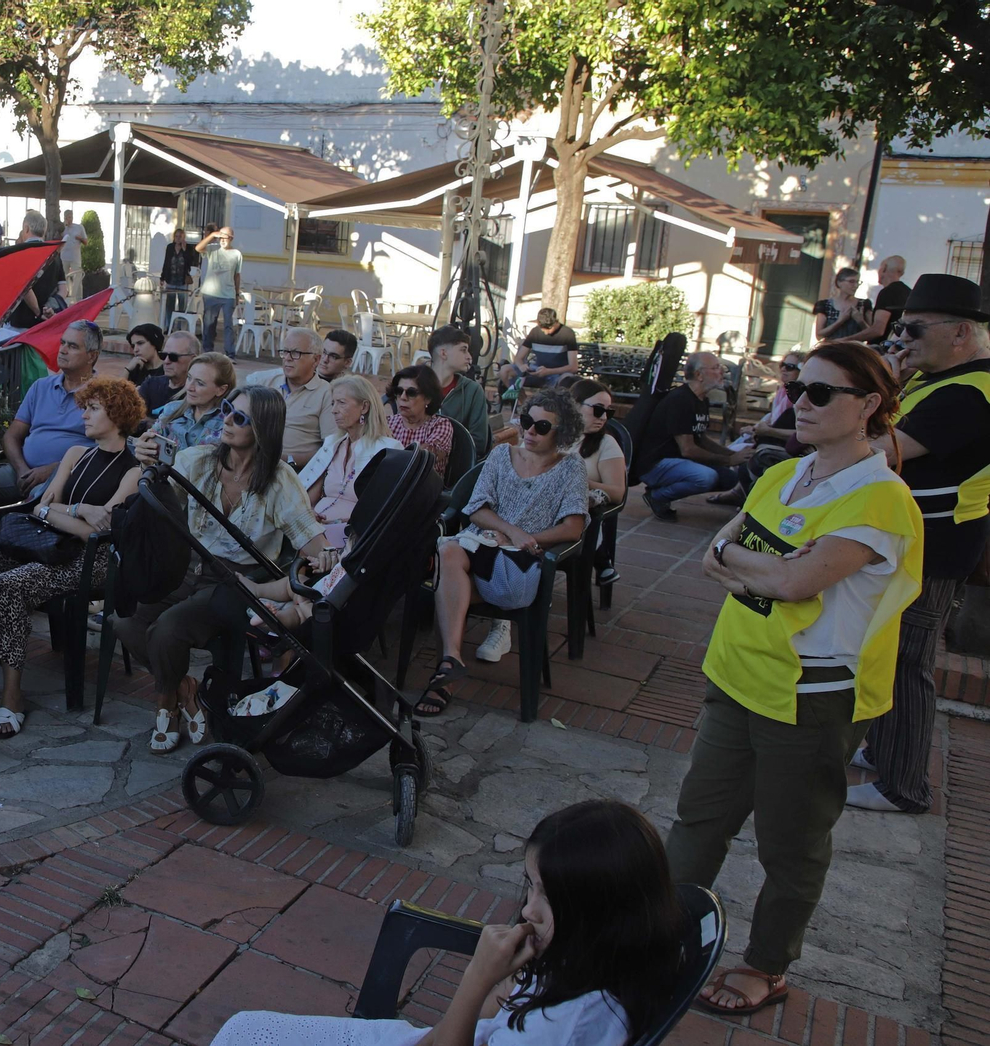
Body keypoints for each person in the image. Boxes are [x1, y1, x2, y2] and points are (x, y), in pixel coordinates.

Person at [668, 341, 922, 1014]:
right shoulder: (784, 474)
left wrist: (761, 567)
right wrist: (763, 567)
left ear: (868, 405)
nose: (799, 403)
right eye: (798, 387)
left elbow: (791, 581)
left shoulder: (881, 499)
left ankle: (766, 964)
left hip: (812, 697)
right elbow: (718, 553)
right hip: (736, 673)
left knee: (791, 844)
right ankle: (660, 936)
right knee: (698, 820)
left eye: (820, 393)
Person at [210, 799, 687, 1046]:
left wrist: (477, 979)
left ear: (597, 911)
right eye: (531, 886)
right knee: (244, 1030)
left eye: (549, 896)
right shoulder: (588, 960)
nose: (528, 909)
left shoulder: (566, 1027)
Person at [116, 386, 333, 753]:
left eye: (240, 417)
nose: (227, 419)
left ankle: (165, 704)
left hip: (237, 580)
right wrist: (147, 465)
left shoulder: (279, 480)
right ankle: (184, 689)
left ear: (263, 428)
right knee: (124, 620)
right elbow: (158, 505)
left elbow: (311, 540)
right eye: (228, 408)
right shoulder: (196, 460)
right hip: (186, 565)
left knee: (167, 631)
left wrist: (326, 556)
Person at [0, 378, 145, 737]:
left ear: (118, 415)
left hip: (90, 560)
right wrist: (77, 510)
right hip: (45, 543)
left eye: (93, 409)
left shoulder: (133, 471)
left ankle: (12, 698)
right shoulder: (76, 454)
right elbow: (41, 506)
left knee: (10, 584)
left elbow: (96, 532)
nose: (84, 415)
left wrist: (58, 512)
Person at [853, 274, 990, 814]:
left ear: (960, 333)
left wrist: (877, 388)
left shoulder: (968, 391)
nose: (900, 338)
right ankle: (884, 750)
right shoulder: (942, 379)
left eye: (913, 328)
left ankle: (903, 785)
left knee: (906, 660)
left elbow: (879, 451)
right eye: (900, 327)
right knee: (888, 650)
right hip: (915, 537)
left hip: (934, 544)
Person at [420, 388, 587, 713]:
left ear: (562, 432)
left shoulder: (571, 468)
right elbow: (476, 509)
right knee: (448, 554)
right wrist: (510, 530)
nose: (530, 431)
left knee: (446, 582)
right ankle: (449, 664)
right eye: (526, 421)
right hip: (479, 546)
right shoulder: (501, 455)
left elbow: (573, 528)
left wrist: (523, 539)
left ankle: (447, 671)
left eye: (542, 427)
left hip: (517, 563)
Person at [0, 321, 99, 556]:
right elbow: (12, 436)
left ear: (92, 355)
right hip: (21, 471)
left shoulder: (102, 394)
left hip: (64, 479)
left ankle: (5, 562)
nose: (62, 350)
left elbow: (102, 451)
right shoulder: (41, 387)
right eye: (62, 343)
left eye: (72, 346)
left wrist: (52, 470)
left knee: (36, 500)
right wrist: (22, 469)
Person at [634, 352, 749, 522]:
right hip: (654, 464)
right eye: (716, 368)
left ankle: (663, 490)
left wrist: (732, 454)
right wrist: (728, 460)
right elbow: (688, 449)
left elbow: (701, 439)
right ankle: (658, 496)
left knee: (729, 478)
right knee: (706, 477)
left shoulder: (701, 399)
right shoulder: (680, 400)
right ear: (699, 375)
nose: (721, 372)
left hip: (676, 461)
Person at [298, 375, 403, 547]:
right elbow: (310, 494)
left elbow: (387, 509)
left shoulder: (388, 450)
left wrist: (342, 521)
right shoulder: (332, 444)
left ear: (364, 407)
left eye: (341, 403)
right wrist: (308, 513)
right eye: (333, 403)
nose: (334, 410)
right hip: (316, 530)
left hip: (357, 534)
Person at [708, 353, 805, 508]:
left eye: (790, 367)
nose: (784, 370)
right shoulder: (782, 391)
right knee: (735, 452)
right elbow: (773, 420)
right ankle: (739, 493)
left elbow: (799, 434)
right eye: (783, 365)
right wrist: (757, 429)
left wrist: (766, 432)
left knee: (741, 456)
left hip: (785, 448)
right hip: (769, 442)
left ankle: (741, 496)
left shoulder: (800, 399)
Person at [248, 328, 339, 467]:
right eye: (285, 351)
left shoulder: (327, 394)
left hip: (295, 470)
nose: (287, 358)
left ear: (316, 359)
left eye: (296, 353)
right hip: (252, 464)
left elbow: (330, 448)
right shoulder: (262, 383)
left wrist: (288, 460)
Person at [571, 380, 628, 586]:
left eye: (608, 412)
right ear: (575, 405)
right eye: (597, 410)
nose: (603, 417)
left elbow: (617, 492)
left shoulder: (606, 444)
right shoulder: (551, 434)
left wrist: (580, 481)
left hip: (575, 517)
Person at [137, 352, 237, 462]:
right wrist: (144, 455)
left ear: (221, 390)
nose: (189, 387)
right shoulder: (171, 410)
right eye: (189, 378)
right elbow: (148, 451)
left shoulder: (229, 424)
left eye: (200, 383)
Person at [431, 326, 491, 458]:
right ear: (443, 353)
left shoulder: (473, 390)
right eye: (463, 350)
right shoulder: (414, 385)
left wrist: (442, 449)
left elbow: (479, 443)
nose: (469, 357)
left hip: (457, 465)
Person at [388, 364, 457, 476]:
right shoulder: (388, 423)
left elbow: (421, 459)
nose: (403, 397)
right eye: (399, 391)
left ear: (428, 398)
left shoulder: (440, 425)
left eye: (411, 393)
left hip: (421, 484)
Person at [497, 309, 579, 394]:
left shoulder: (567, 333)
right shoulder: (535, 332)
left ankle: (558, 401)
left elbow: (573, 367)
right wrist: (521, 366)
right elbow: (518, 358)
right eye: (543, 329)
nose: (546, 332)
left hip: (558, 374)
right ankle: (521, 399)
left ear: (555, 322)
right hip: (536, 370)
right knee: (504, 370)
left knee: (568, 379)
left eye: (549, 328)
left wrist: (549, 371)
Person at [9, 211, 62, 328]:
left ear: (26, 228)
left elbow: (24, 287)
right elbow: (63, 288)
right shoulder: (55, 255)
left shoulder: (19, 253)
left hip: (21, 322)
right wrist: (50, 308)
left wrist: (38, 312)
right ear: (44, 230)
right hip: (47, 320)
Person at [196, 226, 242, 356]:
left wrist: (237, 294)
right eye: (220, 237)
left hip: (229, 294)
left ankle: (230, 353)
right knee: (209, 324)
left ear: (231, 238)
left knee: (229, 325)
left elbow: (237, 275)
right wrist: (211, 236)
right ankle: (207, 351)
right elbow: (198, 248)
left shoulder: (237, 254)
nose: (222, 240)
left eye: (225, 237)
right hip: (211, 293)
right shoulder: (213, 248)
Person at [850, 255, 909, 346]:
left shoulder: (887, 292)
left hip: (882, 349)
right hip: (898, 348)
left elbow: (878, 330)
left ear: (884, 268)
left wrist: (844, 340)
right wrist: (861, 321)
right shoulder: (909, 292)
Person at [139, 330, 198, 414]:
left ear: (192, 359)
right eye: (163, 355)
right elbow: (134, 417)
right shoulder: (150, 384)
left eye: (173, 357)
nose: (166, 361)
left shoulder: (195, 393)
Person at [814, 268, 870, 343]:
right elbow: (819, 335)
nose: (856, 285)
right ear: (839, 283)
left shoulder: (864, 304)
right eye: (851, 281)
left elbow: (872, 333)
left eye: (858, 282)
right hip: (831, 347)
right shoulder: (825, 305)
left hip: (855, 348)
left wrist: (861, 321)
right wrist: (840, 321)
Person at [160, 227, 200, 323]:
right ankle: (169, 325)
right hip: (171, 279)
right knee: (170, 303)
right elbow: (166, 262)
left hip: (182, 280)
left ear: (183, 237)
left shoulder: (188, 248)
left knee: (182, 304)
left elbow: (191, 262)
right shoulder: (170, 247)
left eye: (180, 236)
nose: (178, 239)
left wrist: (185, 250)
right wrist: (162, 277)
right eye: (176, 236)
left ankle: (180, 325)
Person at [60, 209, 88, 292]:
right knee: (64, 277)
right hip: (64, 256)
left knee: (77, 277)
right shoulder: (62, 228)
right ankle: (66, 294)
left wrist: (80, 238)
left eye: (70, 217)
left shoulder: (79, 227)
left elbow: (86, 242)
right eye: (67, 217)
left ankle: (77, 296)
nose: (69, 219)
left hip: (75, 257)